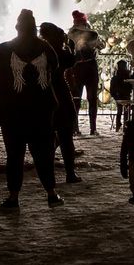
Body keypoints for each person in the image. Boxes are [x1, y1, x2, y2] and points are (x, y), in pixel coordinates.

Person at [0, 9, 64, 209]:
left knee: (14, 155)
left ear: (17, 27)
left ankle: (13, 197)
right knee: (44, 154)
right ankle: (51, 193)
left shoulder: (5, 49)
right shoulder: (45, 47)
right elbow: (55, 67)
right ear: (34, 27)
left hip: (13, 111)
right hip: (41, 111)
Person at [40, 21, 82, 184]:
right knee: (66, 135)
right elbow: (72, 61)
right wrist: (70, 46)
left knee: (48, 135)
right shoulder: (59, 52)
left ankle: (48, 172)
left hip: (44, 93)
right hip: (61, 93)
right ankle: (70, 173)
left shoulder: (39, 50)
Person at [67, 10, 105, 136]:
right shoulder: (92, 33)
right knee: (92, 98)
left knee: (75, 98)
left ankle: (74, 127)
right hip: (90, 66)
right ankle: (93, 128)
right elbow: (102, 45)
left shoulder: (71, 33)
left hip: (76, 67)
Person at [110, 59, 133, 131]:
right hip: (125, 96)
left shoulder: (114, 78)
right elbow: (131, 87)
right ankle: (126, 124)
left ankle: (118, 124)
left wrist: (115, 96)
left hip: (118, 96)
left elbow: (112, 90)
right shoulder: (128, 76)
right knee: (127, 110)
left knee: (119, 111)